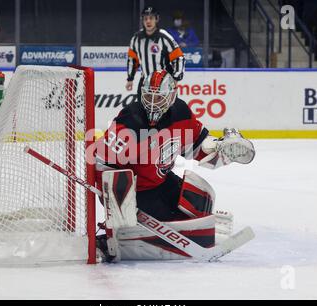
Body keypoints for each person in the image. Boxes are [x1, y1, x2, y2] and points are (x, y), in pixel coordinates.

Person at [94, 70, 255, 261]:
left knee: (200, 199)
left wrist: (218, 149)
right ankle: (111, 240)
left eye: (159, 97)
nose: (153, 103)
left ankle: (142, 234)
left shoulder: (181, 113)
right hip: (136, 192)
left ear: (171, 95)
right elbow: (102, 162)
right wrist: (118, 201)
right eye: (148, 96)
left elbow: (198, 145)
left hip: (159, 182)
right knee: (184, 227)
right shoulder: (130, 122)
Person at [125, 7, 185, 98]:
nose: (148, 21)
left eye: (151, 18)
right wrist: (130, 79)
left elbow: (179, 57)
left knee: (168, 111)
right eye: (145, 18)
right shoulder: (136, 38)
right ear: (142, 20)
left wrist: (176, 78)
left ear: (157, 19)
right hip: (145, 82)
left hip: (164, 82)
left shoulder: (164, 37)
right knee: (142, 110)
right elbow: (132, 60)